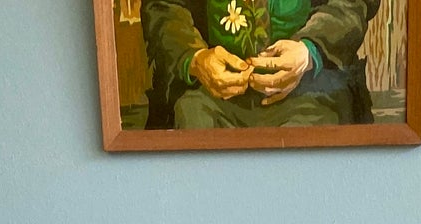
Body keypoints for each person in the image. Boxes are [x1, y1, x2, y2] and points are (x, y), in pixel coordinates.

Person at [141, 0, 379, 130]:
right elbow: (163, 7)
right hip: (208, 94)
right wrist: (196, 59)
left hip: (312, 89)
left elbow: (352, 3)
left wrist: (308, 50)